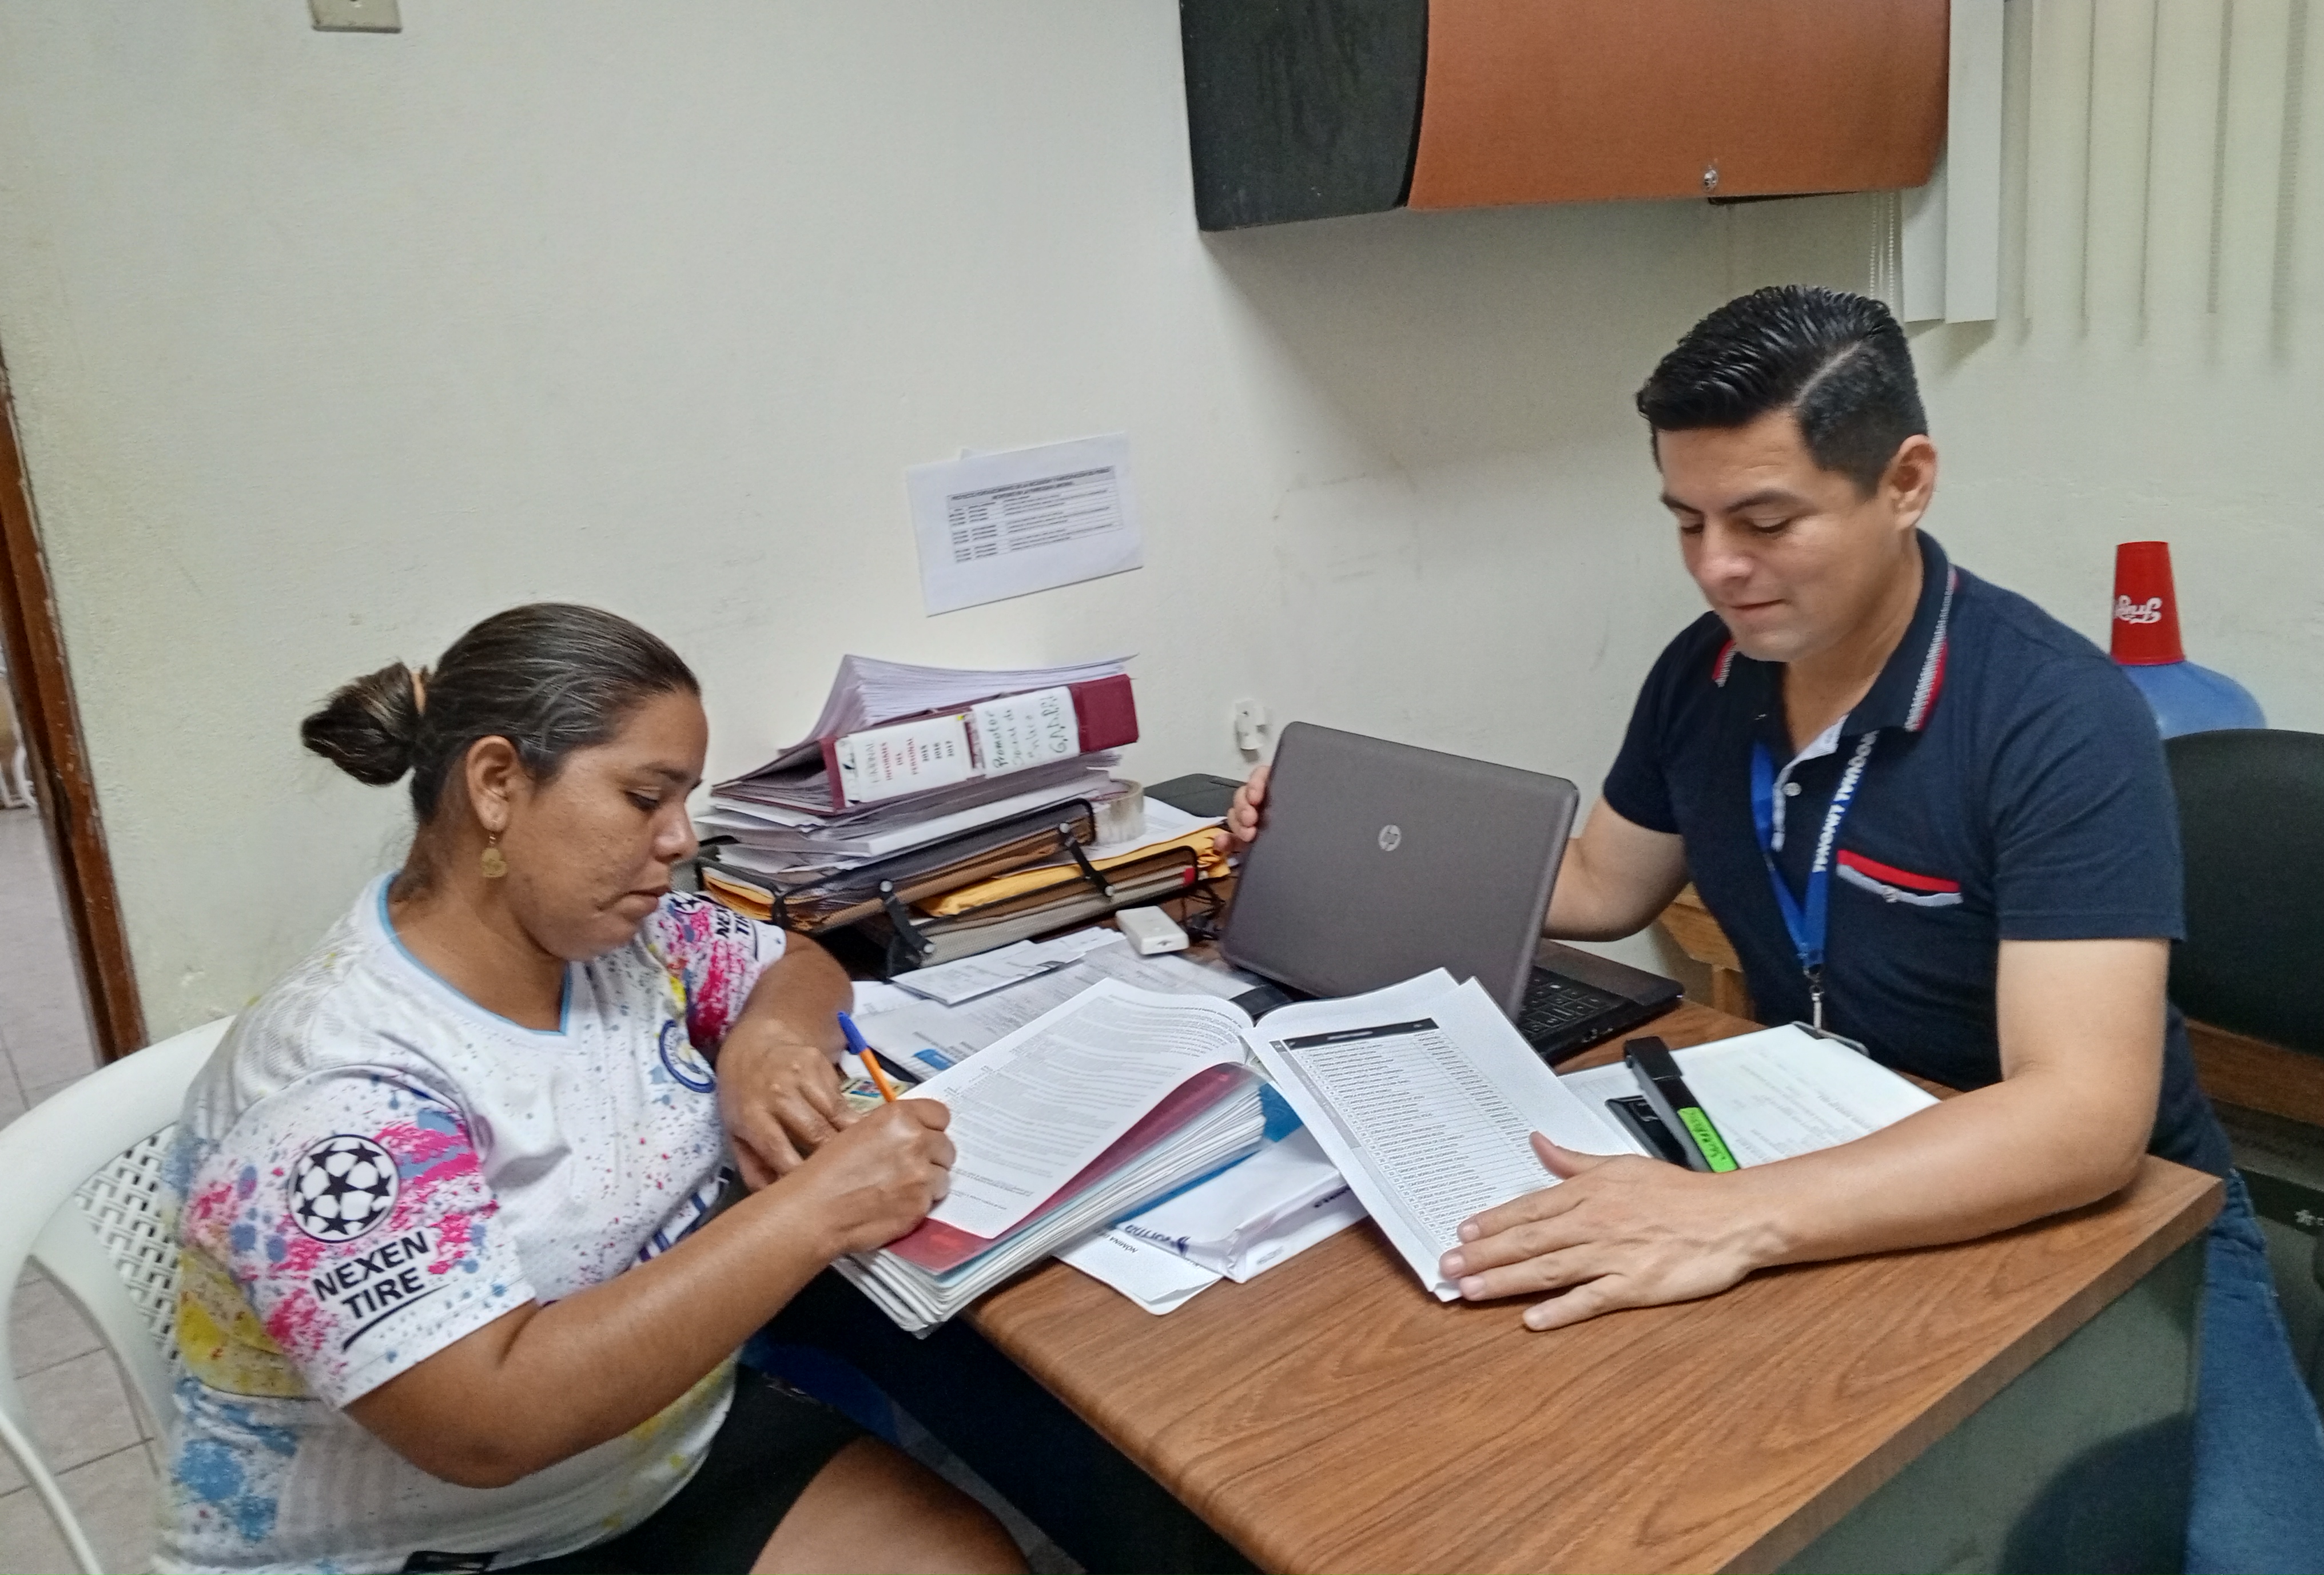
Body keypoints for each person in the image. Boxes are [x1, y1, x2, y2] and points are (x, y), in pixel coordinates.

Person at [1222, 286, 2324, 1572]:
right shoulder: (1705, 672)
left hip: (2102, 1210)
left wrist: (1734, 1220)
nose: (1716, 569)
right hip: (1800, 1144)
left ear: (1904, 483)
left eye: (1764, 521)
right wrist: (1320, 835)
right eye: (1686, 522)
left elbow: (2081, 1116)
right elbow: (1602, 885)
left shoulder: (2055, 717)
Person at [158, 604, 1025, 1575]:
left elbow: (798, 964)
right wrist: (819, 1211)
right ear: (497, 785)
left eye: (683, 799)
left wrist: (769, 1040)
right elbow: (486, 1429)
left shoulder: (625, 940)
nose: (679, 839)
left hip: (652, 1462)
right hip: (426, 1549)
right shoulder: (335, 1086)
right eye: (644, 797)